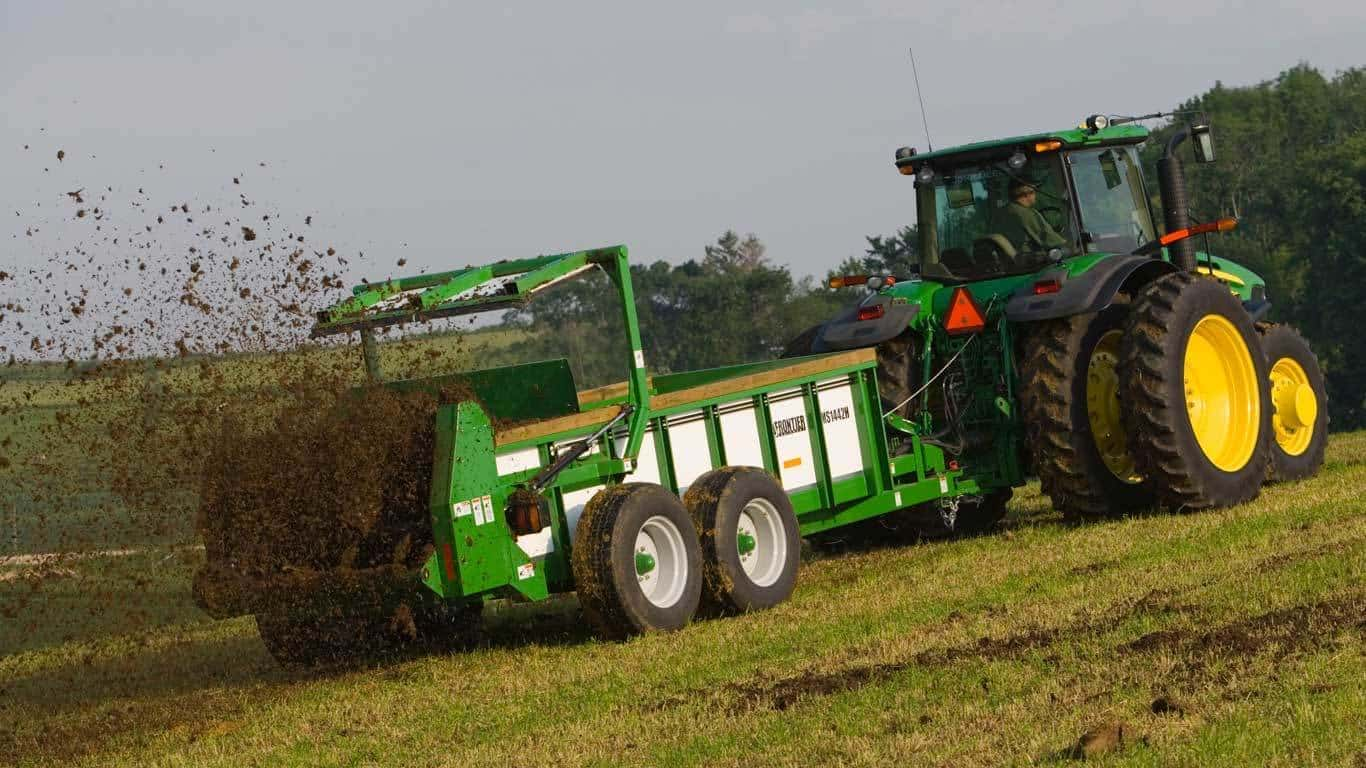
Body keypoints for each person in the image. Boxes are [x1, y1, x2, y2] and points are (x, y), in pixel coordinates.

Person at [995, 179, 1068, 253]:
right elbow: (1051, 240)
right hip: (1031, 258)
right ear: (1026, 194)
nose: (1035, 195)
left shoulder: (1004, 212)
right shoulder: (1026, 213)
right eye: (1033, 191)